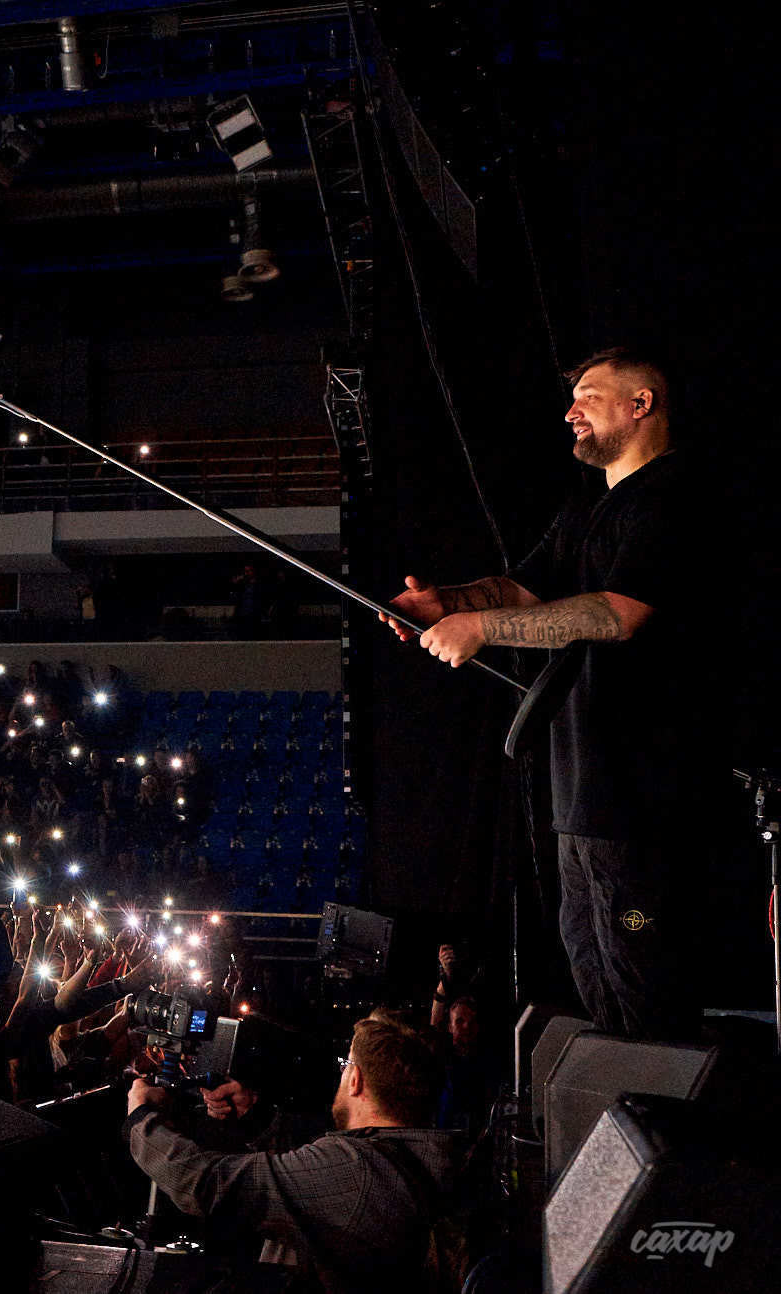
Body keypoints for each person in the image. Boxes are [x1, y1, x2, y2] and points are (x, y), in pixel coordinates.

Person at [380, 346, 719, 1039]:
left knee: (648, 998)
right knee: (597, 984)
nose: (570, 412)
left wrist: (481, 629)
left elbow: (618, 613)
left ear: (641, 403)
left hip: (641, 797)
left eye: (588, 395)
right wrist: (447, 604)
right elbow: (522, 588)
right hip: (581, 795)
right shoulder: (588, 507)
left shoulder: (673, 495)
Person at [126, 1015, 459, 1294]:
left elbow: (210, 1184)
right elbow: (309, 1166)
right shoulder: (431, 1157)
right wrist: (255, 1117)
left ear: (356, 1080)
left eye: (347, 1066)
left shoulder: (356, 1170)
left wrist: (139, 1117)